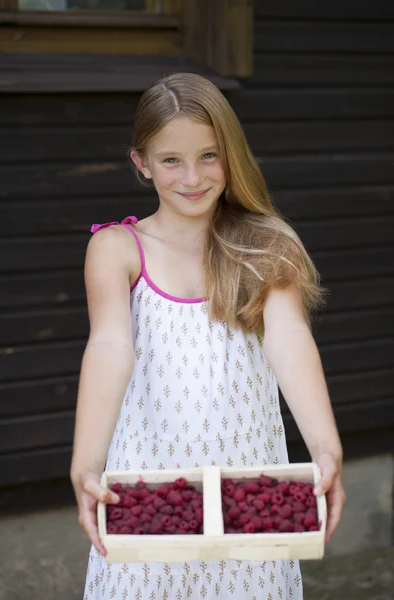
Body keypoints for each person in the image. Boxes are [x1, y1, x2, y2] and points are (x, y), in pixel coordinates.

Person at [70, 72, 346, 599]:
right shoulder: (116, 249)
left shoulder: (265, 246)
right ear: (142, 163)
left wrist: (326, 450)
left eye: (209, 155)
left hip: (249, 506)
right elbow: (109, 346)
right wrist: (86, 463)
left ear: (232, 155)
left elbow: (289, 338)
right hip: (148, 507)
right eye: (171, 159)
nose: (192, 177)